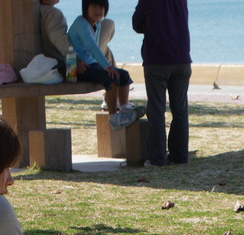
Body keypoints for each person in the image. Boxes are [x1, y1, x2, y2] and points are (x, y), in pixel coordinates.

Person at [132, 0, 192, 166]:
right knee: (180, 110)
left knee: (157, 110)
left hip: (156, 59)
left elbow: (136, 24)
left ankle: (157, 158)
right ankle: (179, 155)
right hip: (182, 57)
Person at [68, 0, 140, 130]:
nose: (98, 11)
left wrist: (107, 67)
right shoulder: (81, 23)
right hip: (78, 67)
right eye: (94, 6)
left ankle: (124, 108)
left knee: (123, 75)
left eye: (101, 7)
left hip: (92, 64)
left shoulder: (98, 25)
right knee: (111, 79)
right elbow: (92, 47)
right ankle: (114, 119)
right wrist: (107, 66)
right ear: (86, 8)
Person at [37, 0, 73, 76]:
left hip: (43, 66)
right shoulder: (53, 13)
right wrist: (75, 61)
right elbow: (62, 43)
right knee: (105, 25)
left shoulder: (39, 11)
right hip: (61, 67)